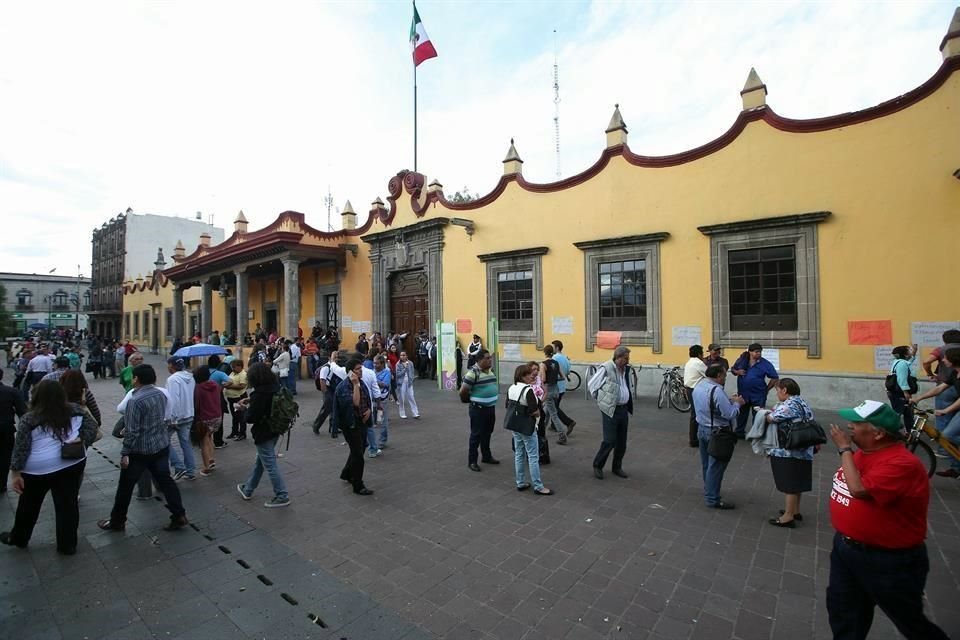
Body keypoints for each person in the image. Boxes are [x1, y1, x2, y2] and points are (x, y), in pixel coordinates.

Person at [826, 400, 950, 640]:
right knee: (844, 613)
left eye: (856, 423)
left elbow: (859, 489)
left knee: (910, 622)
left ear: (879, 433)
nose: (849, 426)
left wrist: (844, 449)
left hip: (887, 560)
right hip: (846, 550)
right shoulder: (864, 452)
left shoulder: (902, 463)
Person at [1, 381, 98, 554]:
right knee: (67, 506)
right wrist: (82, 440)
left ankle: (19, 537)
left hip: (37, 470)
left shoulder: (29, 418)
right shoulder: (76, 409)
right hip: (71, 463)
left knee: (28, 505)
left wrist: (15, 473)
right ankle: (67, 545)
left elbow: (21, 448)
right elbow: (93, 427)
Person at [98, 364, 189, 532]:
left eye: (133, 377)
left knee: (125, 486)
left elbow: (132, 431)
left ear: (137, 379)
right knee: (166, 481)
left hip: (139, 451)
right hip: (160, 446)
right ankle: (179, 514)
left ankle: (117, 520)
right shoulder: (160, 394)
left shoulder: (135, 400)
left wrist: (125, 452)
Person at [235, 363, 290, 507]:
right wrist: (250, 401)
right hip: (275, 429)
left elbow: (252, 417)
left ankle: (282, 495)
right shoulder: (275, 386)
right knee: (261, 461)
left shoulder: (259, 393)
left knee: (270, 464)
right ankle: (248, 489)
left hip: (263, 432)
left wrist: (244, 408)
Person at [692, 364, 745, 509]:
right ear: (718, 376)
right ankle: (712, 498)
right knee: (716, 466)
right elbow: (729, 414)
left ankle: (708, 489)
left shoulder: (699, 385)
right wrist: (738, 404)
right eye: (724, 375)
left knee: (706, 464)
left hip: (702, 428)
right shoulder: (716, 391)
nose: (725, 378)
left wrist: (729, 401)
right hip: (717, 433)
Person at [764, 378, 815, 527]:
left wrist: (764, 413)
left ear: (784, 390)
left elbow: (772, 418)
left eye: (777, 391)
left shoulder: (789, 405)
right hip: (804, 449)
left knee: (790, 483)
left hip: (789, 450)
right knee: (798, 482)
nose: (777, 394)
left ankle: (788, 516)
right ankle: (794, 511)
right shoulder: (802, 402)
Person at [587, 346, 633, 480]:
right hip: (610, 409)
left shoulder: (625, 369)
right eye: (625, 358)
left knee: (622, 441)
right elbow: (592, 385)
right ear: (618, 357)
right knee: (609, 440)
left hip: (623, 409)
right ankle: (598, 465)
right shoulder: (606, 368)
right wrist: (602, 401)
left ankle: (617, 467)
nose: (627, 361)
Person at [913, 347, 960, 478]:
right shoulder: (955, 373)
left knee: (948, 435)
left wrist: (946, 410)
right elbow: (939, 388)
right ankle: (957, 469)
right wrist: (919, 398)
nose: (943, 360)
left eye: (946, 358)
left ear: (954, 360)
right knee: (946, 436)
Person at [507, 364, 553, 495]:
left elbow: (507, 405)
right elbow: (535, 410)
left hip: (515, 425)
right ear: (522, 376)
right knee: (533, 456)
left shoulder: (512, 387)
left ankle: (520, 482)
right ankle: (538, 486)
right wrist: (535, 413)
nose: (532, 375)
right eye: (529, 374)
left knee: (519, 454)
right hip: (527, 426)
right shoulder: (528, 391)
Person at [335, 358, 374, 495]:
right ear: (350, 372)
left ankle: (346, 473)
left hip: (362, 422)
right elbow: (355, 403)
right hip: (351, 425)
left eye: (361, 368)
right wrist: (356, 384)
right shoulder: (344, 387)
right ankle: (358, 484)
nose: (361, 371)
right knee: (358, 454)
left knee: (360, 448)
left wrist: (369, 410)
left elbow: (366, 400)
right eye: (358, 369)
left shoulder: (361, 383)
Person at [459, 349, 499, 472]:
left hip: (490, 408)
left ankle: (486, 456)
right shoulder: (472, 373)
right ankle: (472, 461)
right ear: (480, 360)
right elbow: (463, 391)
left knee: (487, 433)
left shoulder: (490, 371)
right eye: (487, 358)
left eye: (490, 358)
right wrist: (469, 401)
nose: (489, 360)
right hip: (478, 409)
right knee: (476, 435)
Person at [730, 343, 778, 438]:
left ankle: (755, 434)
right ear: (750, 352)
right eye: (756, 352)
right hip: (743, 394)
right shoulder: (742, 361)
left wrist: (766, 389)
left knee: (758, 415)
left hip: (758, 394)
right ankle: (739, 432)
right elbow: (733, 369)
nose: (759, 354)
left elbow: (775, 377)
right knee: (741, 414)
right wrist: (737, 372)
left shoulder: (765, 364)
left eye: (760, 352)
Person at [920, 329, 960, 434]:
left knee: (943, 420)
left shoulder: (941, 350)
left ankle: (944, 449)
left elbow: (926, 361)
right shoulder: (955, 372)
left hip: (945, 387)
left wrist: (930, 374)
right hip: (953, 384)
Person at [165, 357, 197, 481]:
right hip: (189, 413)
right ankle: (190, 470)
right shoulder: (190, 377)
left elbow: (173, 400)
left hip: (178, 416)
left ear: (172, 366)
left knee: (164, 440)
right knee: (186, 443)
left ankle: (178, 466)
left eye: (168, 365)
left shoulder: (173, 379)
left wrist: (173, 419)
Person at [0, 370, 27, 494]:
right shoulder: (11, 392)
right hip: (6, 429)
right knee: (5, 456)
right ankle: (1, 483)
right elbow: (22, 411)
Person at [192, 366, 221, 477]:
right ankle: (211, 459)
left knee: (203, 442)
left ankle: (206, 467)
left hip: (204, 418)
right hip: (217, 416)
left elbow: (196, 404)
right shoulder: (215, 385)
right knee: (209, 438)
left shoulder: (199, 388)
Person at [541, 344, 571, 445]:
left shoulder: (543, 364)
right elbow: (563, 377)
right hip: (556, 390)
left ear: (544, 352)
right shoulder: (556, 363)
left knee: (553, 414)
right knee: (546, 412)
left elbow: (543, 379)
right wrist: (554, 379)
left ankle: (562, 436)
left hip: (548, 390)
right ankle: (541, 431)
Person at [885, 345, 916, 432]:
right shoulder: (902, 364)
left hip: (896, 392)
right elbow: (901, 379)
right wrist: (906, 392)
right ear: (906, 355)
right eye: (909, 350)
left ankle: (909, 431)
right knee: (899, 412)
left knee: (907, 412)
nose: (911, 351)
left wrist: (914, 353)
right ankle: (889, 430)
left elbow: (910, 361)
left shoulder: (899, 362)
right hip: (899, 393)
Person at [312, 351, 342, 437]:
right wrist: (325, 393)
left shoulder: (335, 367)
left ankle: (333, 427)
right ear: (329, 358)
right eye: (335, 357)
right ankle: (316, 426)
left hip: (333, 390)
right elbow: (322, 380)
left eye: (337, 357)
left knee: (334, 409)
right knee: (326, 410)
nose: (337, 359)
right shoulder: (326, 367)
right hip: (327, 390)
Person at [549, 340, 576, 433]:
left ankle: (569, 422)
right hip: (562, 386)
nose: (552, 349)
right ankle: (553, 425)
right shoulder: (565, 358)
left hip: (555, 386)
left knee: (554, 407)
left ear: (556, 348)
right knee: (555, 405)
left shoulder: (554, 358)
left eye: (553, 347)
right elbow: (568, 371)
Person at [683, 345, 707, 448]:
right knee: (696, 414)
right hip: (695, 390)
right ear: (699, 354)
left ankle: (694, 438)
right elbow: (709, 373)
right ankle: (694, 439)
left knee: (694, 413)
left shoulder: (690, 362)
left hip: (689, 389)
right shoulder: (698, 363)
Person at [369, 355, 391, 456]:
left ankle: (382, 440)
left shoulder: (387, 372)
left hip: (382, 399)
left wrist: (374, 382)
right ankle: (372, 441)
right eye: (374, 363)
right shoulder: (372, 371)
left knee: (383, 421)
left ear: (382, 364)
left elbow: (385, 384)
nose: (375, 365)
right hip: (372, 399)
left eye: (377, 363)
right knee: (372, 421)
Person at [224, 359, 249, 440]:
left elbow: (242, 386)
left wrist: (229, 386)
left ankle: (242, 433)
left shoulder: (243, 374)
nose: (233, 368)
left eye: (234, 367)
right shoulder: (233, 373)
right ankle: (234, 432)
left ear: (239, 366)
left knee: (241, 416)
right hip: (231, 398)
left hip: (239, 398)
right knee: (234, 416)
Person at [396, 351, 419, 419]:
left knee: (411, 397)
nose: (402, 357)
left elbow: (412, 372)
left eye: (404, 355)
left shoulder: (410, 363)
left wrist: (411, 380)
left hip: (409, 382)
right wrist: (404, 368)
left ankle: (415, 413)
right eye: (401, 355)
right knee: (402, 398)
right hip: (401, 383)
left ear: (406, 356)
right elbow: (398, 374)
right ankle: (402, 413)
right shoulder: (398, 364)